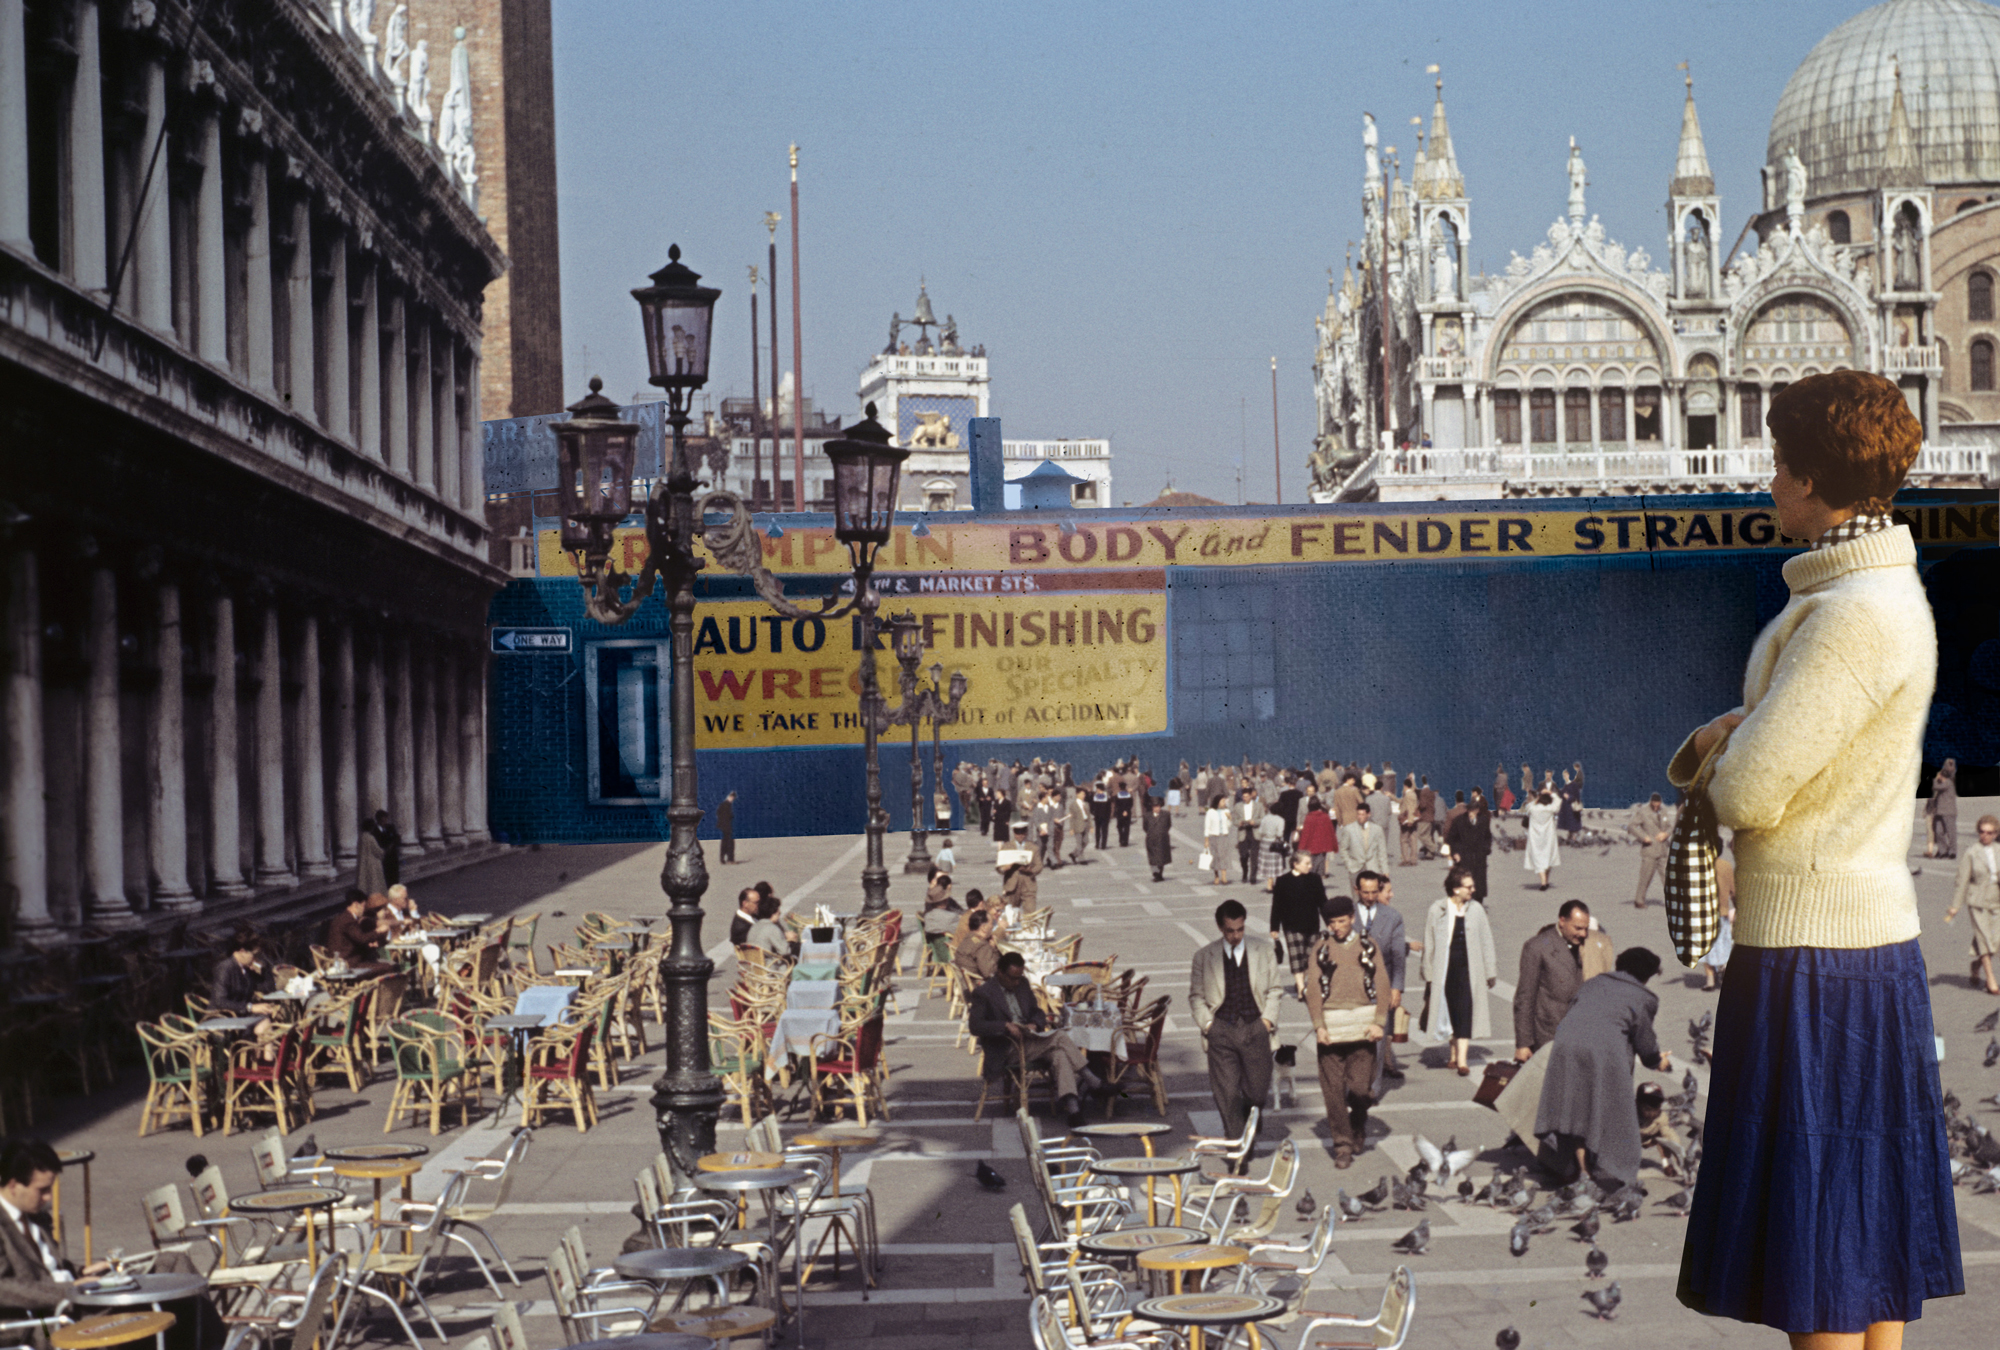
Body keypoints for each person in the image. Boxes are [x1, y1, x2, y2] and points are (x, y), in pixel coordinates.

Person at [1673, 370, 1962, 1343]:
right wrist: (1747, 728)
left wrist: (1716, 746)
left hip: (1812, 955)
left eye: (1775, 464)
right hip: (1864, 948)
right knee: (1865, 1236)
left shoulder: (1847, 618)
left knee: (1818, 1246)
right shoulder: (1873, 593)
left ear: (1808, 478)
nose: (1766, 482)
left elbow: (1748, 791)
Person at [1533, 947, 1670, 1192]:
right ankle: (1612, 1173)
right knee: (1614, 1112)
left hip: (1566, 1047)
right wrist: (1657, 1061)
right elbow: (1645, 1040)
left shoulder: (1593, 983)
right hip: (1603, 1053)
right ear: (1647, 975)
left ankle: (1580, 1171)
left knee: (1576, 1112)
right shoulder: (1644, 997)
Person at [1303, 894, 1391, 1168]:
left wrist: (1379, 1021)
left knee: (1361, 1090)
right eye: (1332, 922)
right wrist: (1318, 1026)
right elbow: (1313, 988)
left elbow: (1382, 982)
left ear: (1352, 918)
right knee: (1333, 1094)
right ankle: (1342, 1146)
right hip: (1331, 1030)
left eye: (1342, 921)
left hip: (1363, 1029)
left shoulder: (1367, 945)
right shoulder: (1321, 948)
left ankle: (1358, 1122)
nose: (1337, 927)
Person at [1189, 899, 1283, 1152]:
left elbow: (1275, 989)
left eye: (1240, 929)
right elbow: (1196, 996)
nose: (1235, 935)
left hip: (1256, 1027)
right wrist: (1209, 1025)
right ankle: (1237, 1149)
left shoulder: (1263, 950)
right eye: (1230, 930)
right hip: (1221, 1030)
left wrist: (1266, 1022)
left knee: (1257, 1093)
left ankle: (1251, 1115)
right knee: (1228, 1093)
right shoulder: (1204, 956)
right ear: (1221, 928)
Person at [967, 951, 1099, 1127]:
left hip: (1030, 1041)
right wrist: (1004, 1025)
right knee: (1059, 1036)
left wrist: (1034, 1024)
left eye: (1019, 977)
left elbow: (1037, 1012)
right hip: (1006, 1048)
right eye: (1013, 978)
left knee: (1059, 1054)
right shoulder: (984, 992)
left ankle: (1073, 1111)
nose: (1016, 982)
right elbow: (975, 1026)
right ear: (1000, 973)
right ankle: (1093, 1081)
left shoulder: (1022, 984)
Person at [1512, 900, 1615, 1060]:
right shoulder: (1537, 947)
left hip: (1584, 1034)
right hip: (1550, 1035)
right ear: (1562, 921)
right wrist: (1523, 1043)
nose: (1583, 934)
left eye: (1586, 928)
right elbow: (1525, 998)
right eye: (1578, 928)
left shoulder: (1593, 943)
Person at [1421, 867, 1498, 1076]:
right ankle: (1453, 1053)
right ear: (1456, 889)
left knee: (1465, 1010)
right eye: (1469, 887)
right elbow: (1429, 942)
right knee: (1448, 1009)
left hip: (1468, 970)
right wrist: (1428, 973)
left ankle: (1462, 1061)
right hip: (1444, 970)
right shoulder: (1437, 909)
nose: (1473, 890)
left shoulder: (1477, 909)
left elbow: (1486, 941)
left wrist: (1490, 971)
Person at [1353, 871, 1410, 1080]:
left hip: (1382, 984)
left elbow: (1398, 955)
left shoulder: (1393, 917)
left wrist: (1397, 987)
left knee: (1378, 1036)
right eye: (1365, 892)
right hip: (1353, 985)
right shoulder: (1346, 915)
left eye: (1374, 892)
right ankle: (1357, 1083)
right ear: (1356, 890)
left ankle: (1373, 1087)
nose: (1370, 897)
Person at [1945, 814, 2000, 996]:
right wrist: (1955, 906)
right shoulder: (1971, 853)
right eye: (1982, 832)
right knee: (1984, 939)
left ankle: (1976, 965)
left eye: (1990, 833)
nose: (1985, 835)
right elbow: (1962, 881)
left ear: (1995, 834)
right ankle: (1990, 980)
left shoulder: (1998, 850)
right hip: (1977, 902)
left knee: (1995, 941)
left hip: (1996, 901)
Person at [1267, 851, 1328, 998]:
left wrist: (1330, 921)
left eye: (1310, 863)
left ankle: (1301, 981)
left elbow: (1323, 902)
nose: (1310, 866)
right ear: (1295, 864)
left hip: (1312, 925)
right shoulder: (1283, 881)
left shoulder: (1315, 879)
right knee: (1296, 957)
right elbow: (1277, 905)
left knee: (1309, 958)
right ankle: (1301, 988)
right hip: (1291, 926)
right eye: (1307, 863)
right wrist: (1274, 927)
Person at [210, 931, 279, 1024]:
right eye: (254, 955)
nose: (255, 959)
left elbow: (269, 989)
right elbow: (220, 1001)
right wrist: (250, 1007)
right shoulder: (225, 968)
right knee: (264, 1022)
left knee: (266, 1019)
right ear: (242, 951)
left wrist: (264, 969)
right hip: (223, 1018)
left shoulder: (246, 969)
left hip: (241, 1016)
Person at [325, 890, 394, 975]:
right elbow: (362, 938)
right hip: (347, 964)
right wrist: (379, 931)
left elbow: (353, 940)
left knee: (382, 962)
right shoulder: (348, 920)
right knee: (388, 967)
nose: (364, 909)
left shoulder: (343, 918)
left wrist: (369, 945)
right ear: (356, 905)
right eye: (363, 905)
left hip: (345, 961)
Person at [1442, 790, 1493, 903]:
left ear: (1478, 810)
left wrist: (1486, 849)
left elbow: (1488, 837)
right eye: (1469, 810)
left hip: (1479, 857)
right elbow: (1451, 839)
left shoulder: (1483, 820)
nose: (1471, 813)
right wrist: (1455, 853)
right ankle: (1465, 902)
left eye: (1473, 811)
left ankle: (1478, 904)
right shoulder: (1459, 821)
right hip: (1464, 856)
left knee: (1479, 883)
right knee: (1465, 881)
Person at [1701, 835, 1736, 992]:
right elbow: (1733, 890)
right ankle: (1724, 968)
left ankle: (1710, 980)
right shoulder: (1726, 866)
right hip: (1722, 912)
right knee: (1723, 944)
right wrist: (1738, 906)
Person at [1627, 793, 1674, 907]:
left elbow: (1670, 826)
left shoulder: (1663, 811)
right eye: (1654, 804)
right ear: (1651, 802)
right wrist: (1643, 837)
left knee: (1668, 877)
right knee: (1646, 877)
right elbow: (1631, 826)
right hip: (1650, 850)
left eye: (1658, 804)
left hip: (1663, 850)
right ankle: (1639, 900)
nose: (1656, 806)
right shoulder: (1643, 812)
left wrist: (1666, 834)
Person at [1337, 803, 1388, 896]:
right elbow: (1343, 848)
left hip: (1372, 867)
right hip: (1355, 868)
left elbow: (1382, 851)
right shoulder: (1349, 829)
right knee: (1356, 896)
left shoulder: (1377, 829)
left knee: (1372, 896)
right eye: (1358, 814)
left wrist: (1385, 870)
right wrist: (1349, 864)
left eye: (1362, 814)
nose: (1360, 817)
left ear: (1369, 814)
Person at [1522, 789, 1562, 890]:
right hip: (1549, 836)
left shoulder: (1533, 808)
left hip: (1535, 837)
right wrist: (1550, 792)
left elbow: (1528, 806)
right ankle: (1546, 881)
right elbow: (1558, 801)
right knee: (1548, 857)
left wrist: (1538, 797)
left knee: (1537, 857)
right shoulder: (1550, 809)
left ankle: (1543, 882)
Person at [1926, 758, 1959, 859]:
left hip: (1948, 812)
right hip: (1940, 812)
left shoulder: (1948, 782)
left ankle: (1952, 851)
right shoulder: (1944, 781)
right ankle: (1943, 850)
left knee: (1950, 832)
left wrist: (1936, 779)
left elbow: (1936, 786)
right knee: (1938, 831)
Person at [954, 910, 1000, 981]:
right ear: (984, 927)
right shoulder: (981, 945)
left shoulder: (969, 938)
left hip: (968, 981)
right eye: (991, 923)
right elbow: (990, 973)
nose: (992, 926)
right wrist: (994, 950)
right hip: (980, 984)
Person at [1296, 796, 1336, 875]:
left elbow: (1306, 834)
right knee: (1320, 867)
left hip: (1311, 847)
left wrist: (1301, 848)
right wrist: (1333, 845)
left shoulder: (1309, 817)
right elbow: (1330, 831)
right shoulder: (1325, 816)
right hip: (1323, 846)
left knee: (1311, 867)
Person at [744, 894, 789, 961]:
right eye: (778, 910)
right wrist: (790, 941)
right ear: (773, 912)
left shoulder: (754, 927)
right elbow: (785, 951)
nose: (780, 912)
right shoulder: (772, 928)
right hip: (770, 965)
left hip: (754, 964)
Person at [356, 811, 388, 897]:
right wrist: (384, 851)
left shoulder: (361, 837)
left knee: (364, 880)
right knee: (374, 882)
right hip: (373, 862)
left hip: (363, 861)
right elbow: (377, 850)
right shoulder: (370, 838)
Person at [1142, 797, 1174, 882]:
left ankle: (1160, 874)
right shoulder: (1147, 815)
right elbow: (1145, 827)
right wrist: (1152, 833)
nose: (1157, 808)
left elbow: (1168, 825)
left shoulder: (1166, 814)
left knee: (1161, 857)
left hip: (1162, 839)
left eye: (1158, 806)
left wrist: (1162, 832)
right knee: (1153, 858)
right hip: (1151, 839)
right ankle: (1155, 873)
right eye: (1155, 806)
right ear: (1152, 807)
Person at [1203, 796, 1233, 885]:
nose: (1224, 803)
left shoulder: (1226, 811)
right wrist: (1206, 840)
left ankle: (1224, 876)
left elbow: (1228, 826)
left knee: (1224, 856)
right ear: (1218, 802)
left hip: (1223, 836)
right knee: (1215, 857)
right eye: (1223, 801)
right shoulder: (1210, 812)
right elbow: (1207, 827)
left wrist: (1229, 818)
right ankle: (1216, 876)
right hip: (1214, 836)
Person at [1397, 779, 1421, 866]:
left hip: (1407, 819)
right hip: (1413, 819)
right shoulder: (1413, 794)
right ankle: (1413, 859)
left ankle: (1406, 859)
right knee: (1413, 840)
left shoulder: (1408, 795)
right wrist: (1391, 796)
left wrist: (1410, 821)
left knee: (1404, 840)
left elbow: (1410, 808)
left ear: (1405, 786)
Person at [716, 790, 737, 864]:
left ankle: (722, 858)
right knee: (730, 842)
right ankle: (730, 859)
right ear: (731, 797)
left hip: (723, 826)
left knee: (725, 841)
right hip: (727, 826)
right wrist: (730, 817)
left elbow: (718, 813)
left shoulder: (723, 804)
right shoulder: (727, 805)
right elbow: (728, 815)